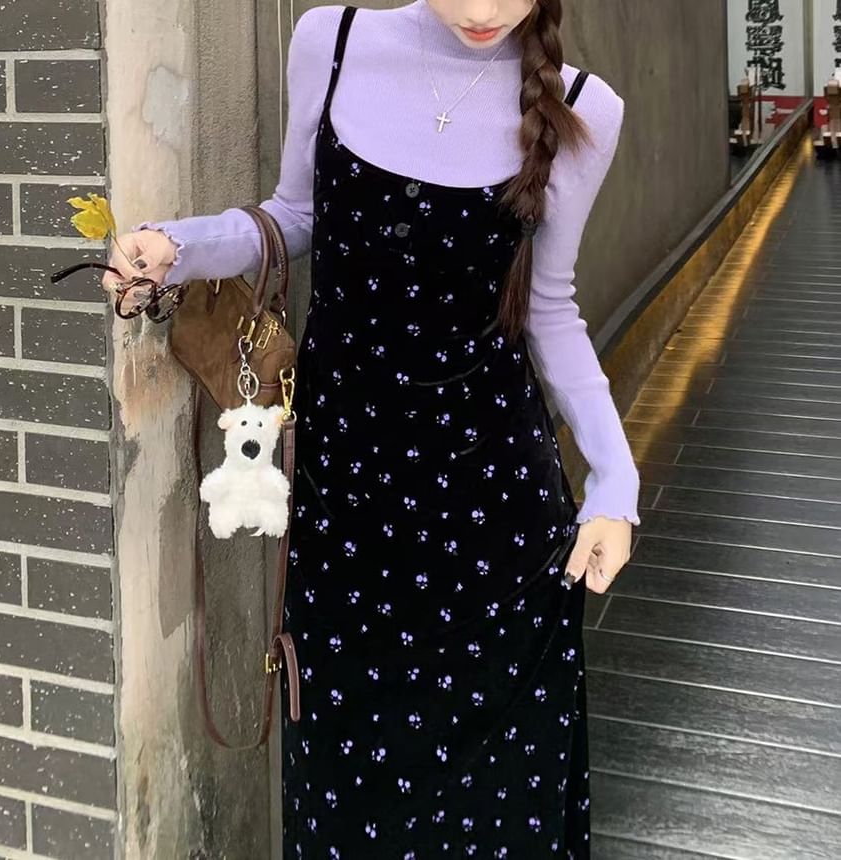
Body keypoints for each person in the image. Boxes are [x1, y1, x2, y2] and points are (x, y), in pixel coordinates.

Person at [104, 1, 640, 855]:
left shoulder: (585, 109)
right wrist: (179, 246)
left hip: (495, 525)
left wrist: (615, 481)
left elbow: (550, 307)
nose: (483, 10)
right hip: (347, 513)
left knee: (501, 816)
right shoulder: (332, 41)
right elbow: (295, 215)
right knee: (347, 801)